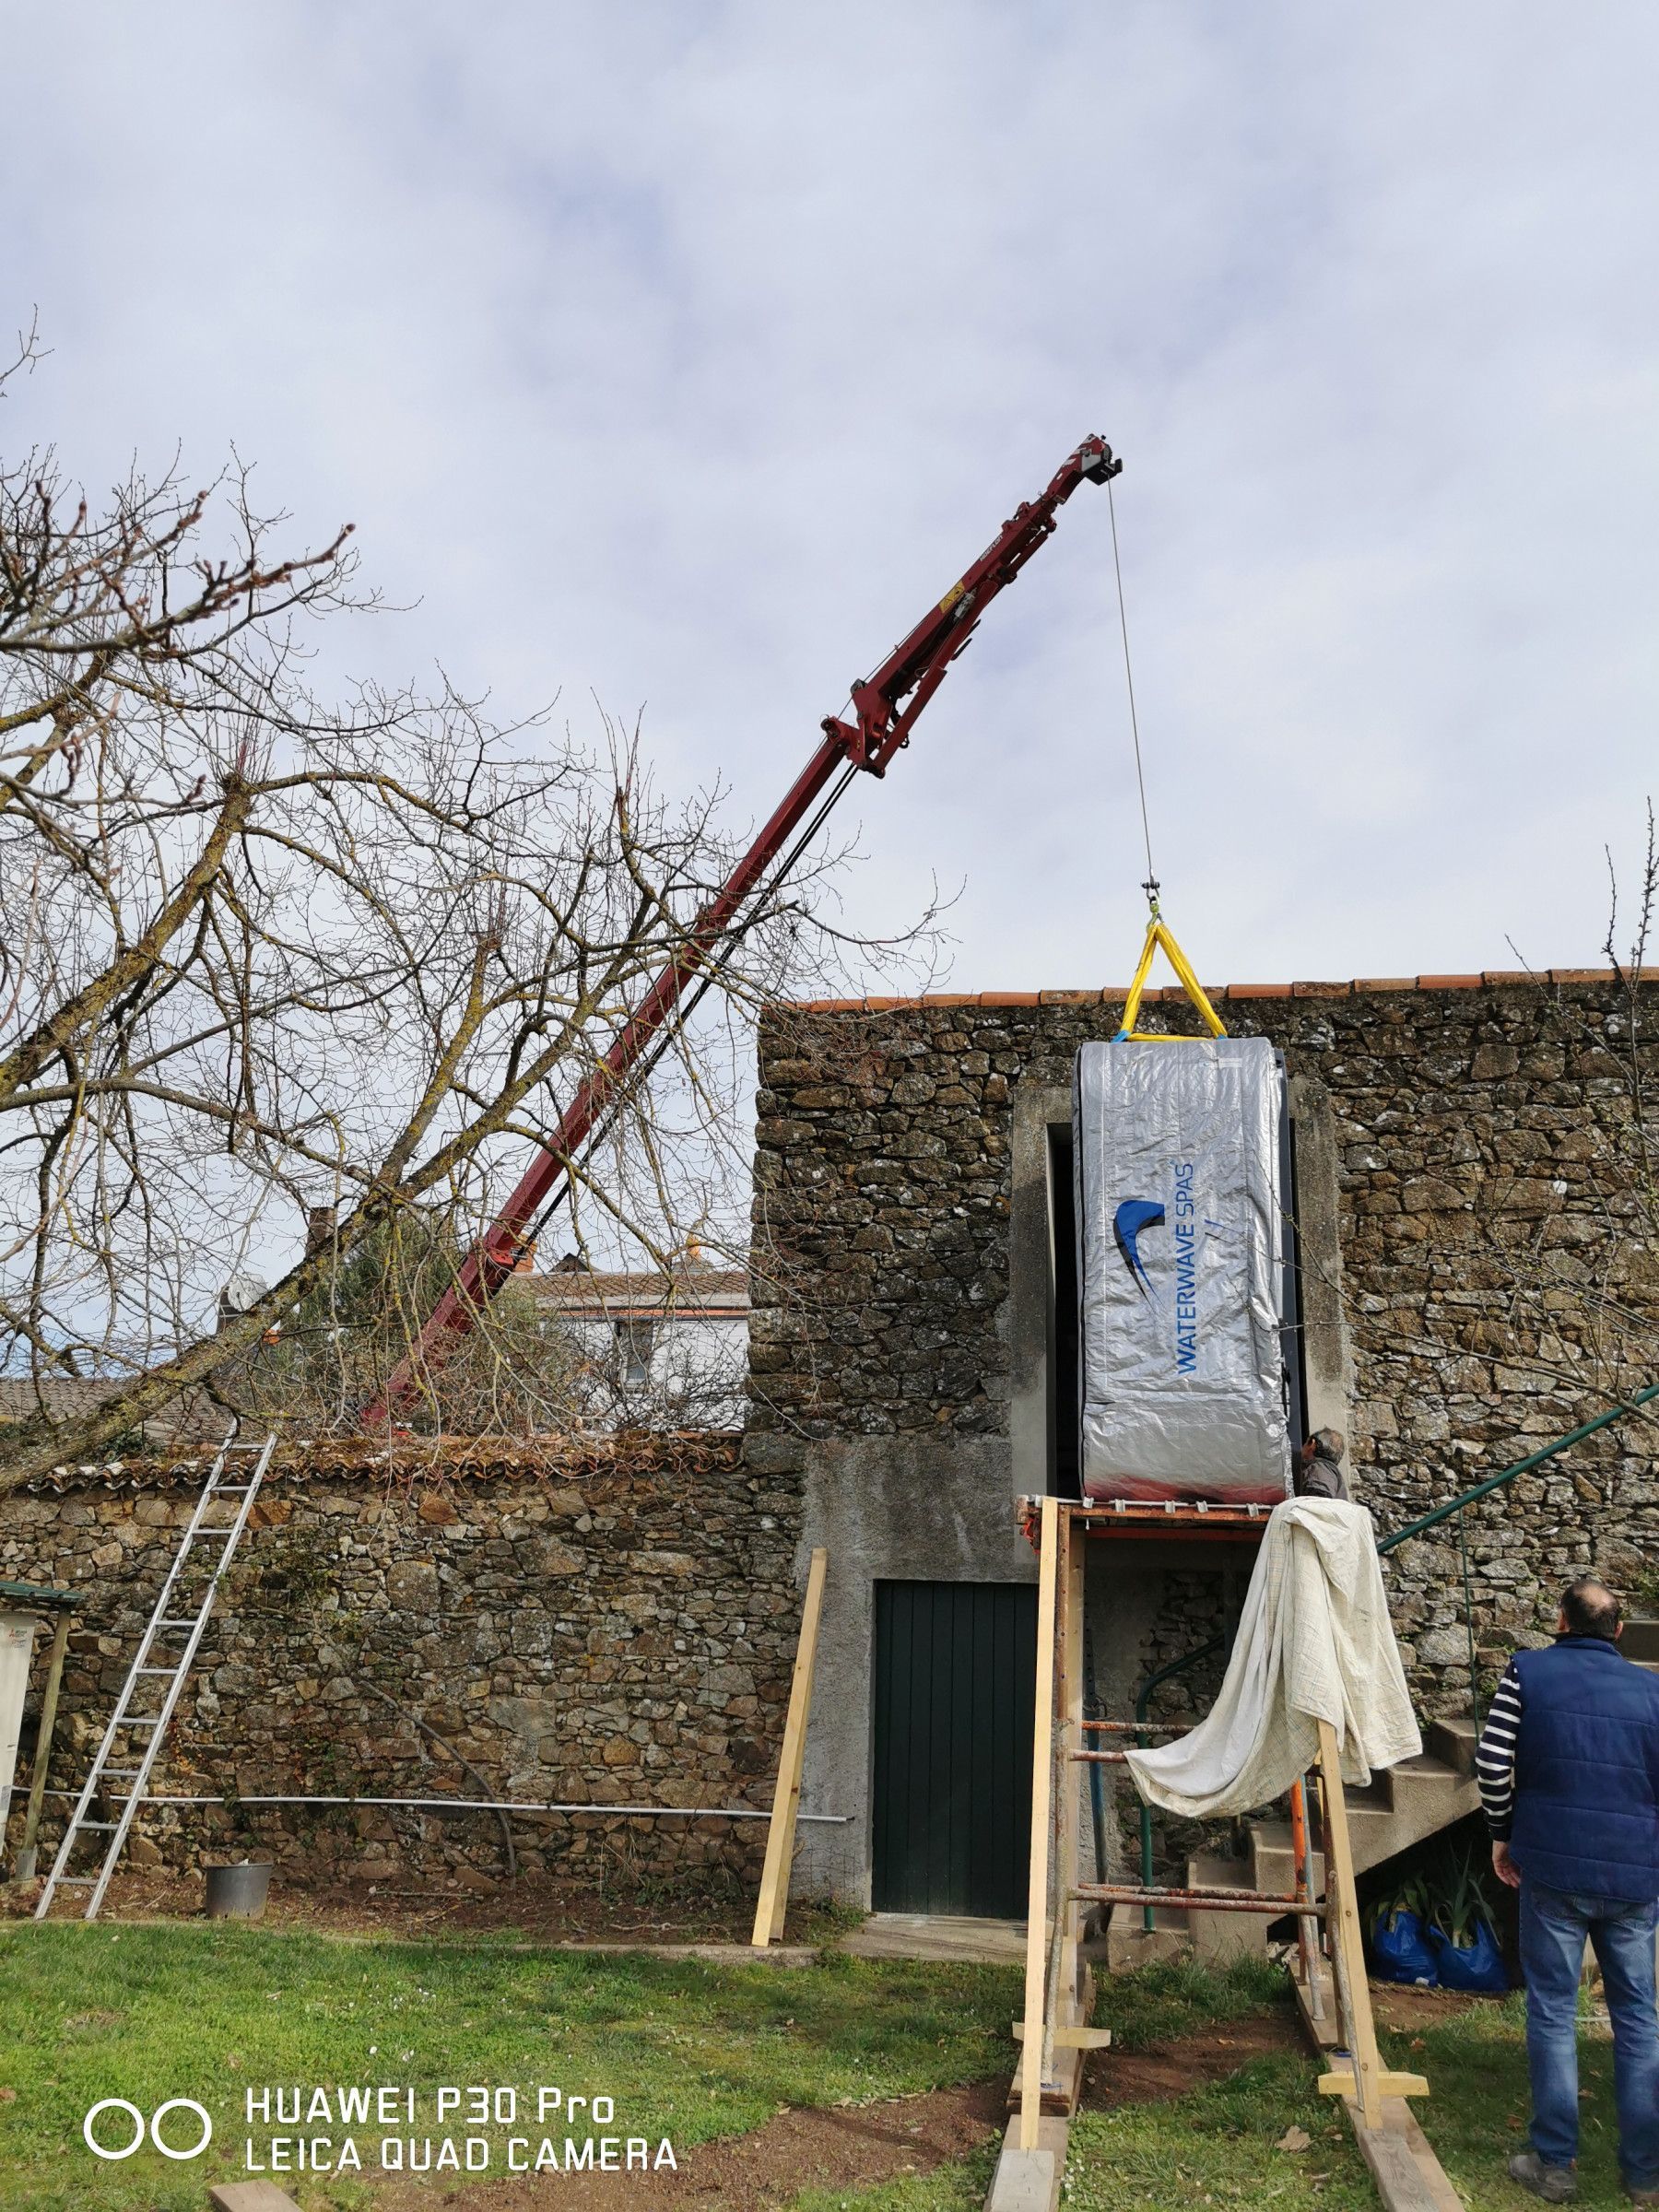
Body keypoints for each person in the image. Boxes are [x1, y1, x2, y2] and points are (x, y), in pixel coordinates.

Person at [1477, 1575, 1659, 2205]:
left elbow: (1491, 1761)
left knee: (1554, 2010)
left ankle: (1555, 2165)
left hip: (1550, 1868)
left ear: (1560, 1621)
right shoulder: (1653, 1689)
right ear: (1619, 1631)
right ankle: (1645, 2176)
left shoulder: (1527, 1672)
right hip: (1634, 1877)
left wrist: (1502, 1832)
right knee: (1638, 2018)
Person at [1293, 1427, 1349, 1499]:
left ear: (1312, 1444)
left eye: (1306, 1442)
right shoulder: (1329, 1471)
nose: (1302, 1447)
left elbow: (1320, 1500)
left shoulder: (1320, 1469)